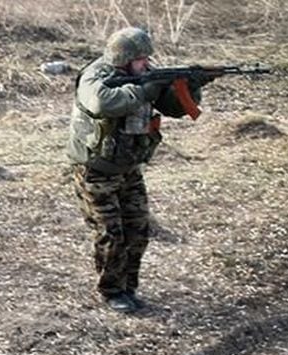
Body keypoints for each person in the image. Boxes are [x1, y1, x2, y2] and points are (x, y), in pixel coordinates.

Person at [67, 27, 208, 313]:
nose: (147, 63)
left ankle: (128, 288)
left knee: (138, 229)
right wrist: (144, 90)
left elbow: (175, 108)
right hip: (96, 170)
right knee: (111, 233)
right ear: (125, 58)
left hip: (129, 167)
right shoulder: (96, 76)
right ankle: (111, 291)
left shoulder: (141, 74)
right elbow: (101, 102)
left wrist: (192, 85)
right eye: (142, 58)